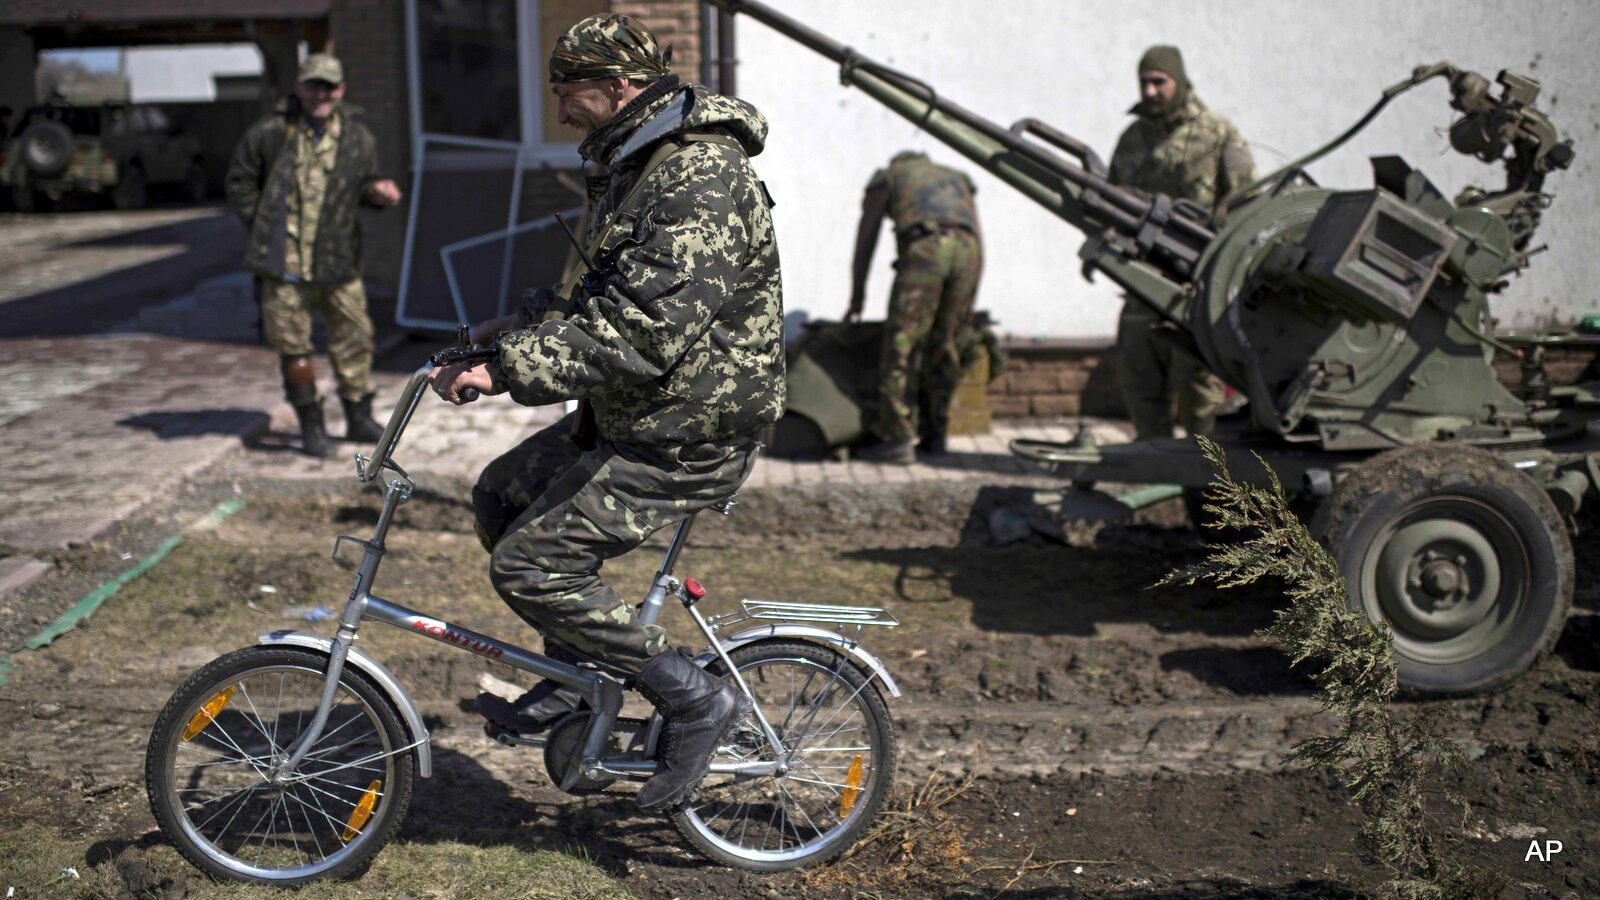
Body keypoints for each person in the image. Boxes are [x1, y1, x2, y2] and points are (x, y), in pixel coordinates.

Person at [427, 14, 783, 813]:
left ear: (617, 86)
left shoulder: (697, 176)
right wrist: (506, 330)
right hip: (641, 413)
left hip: (692, 430)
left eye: (567, 93)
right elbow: (598, 297)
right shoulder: (635, 164)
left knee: (528, 566)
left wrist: (503, 370)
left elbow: (644, 330)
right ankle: (580, 682)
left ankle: (694, 699)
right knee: (502, 495)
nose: (559, 113)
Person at [225, 53, 402, 458]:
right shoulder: (271, 133)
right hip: (283, 265)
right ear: (299, 88)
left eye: (329, 86)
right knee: (295, 349)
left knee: (355, 340)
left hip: (338, 262)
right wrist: (262, 226)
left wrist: (377, 192)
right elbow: (240, 182)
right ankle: (312, 426)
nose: (321, 93)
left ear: (341, 90)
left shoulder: (359, 137)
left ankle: (358, 418)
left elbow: (364, 184)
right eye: (313, 85)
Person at [1109, 45, 1256, 441]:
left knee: (1199, 394)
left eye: (1159, 81)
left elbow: (1247, 203)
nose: (1151, 91)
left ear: (1179, 80)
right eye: (1145, 83)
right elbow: (1108, 202)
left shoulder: (1217, 133)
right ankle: (1156, 476)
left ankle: (1207, 489)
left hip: (1196, 286)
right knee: (1140, 384)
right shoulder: (1131, 140)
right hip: (1142, 283)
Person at [846, 150, 983, 463]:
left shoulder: (889, 176)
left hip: (927, 249)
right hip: (967, 252)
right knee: (946, 344)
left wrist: (857, 297)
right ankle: (936, 436)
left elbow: (866, 238)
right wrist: (971, 294)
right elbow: (978, 236)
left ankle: (896, 439)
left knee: (902, 344)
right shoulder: (956, 178)